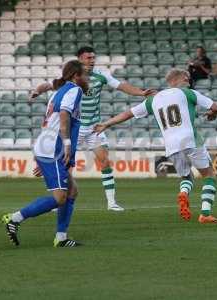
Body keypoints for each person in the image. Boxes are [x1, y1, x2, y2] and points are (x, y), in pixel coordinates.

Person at [30, 46, 156, 212]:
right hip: (75, 128)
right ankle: (58, 200)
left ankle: (111, 202)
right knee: (64, 165)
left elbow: (121, 85)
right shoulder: (70, 77)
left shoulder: (101, 75)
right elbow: (49, 85)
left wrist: (141, 93)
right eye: (88, 58)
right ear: (80, 59)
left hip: (93, 127)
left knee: (104, 160)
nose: (92, 61)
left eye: (93, 58)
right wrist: (37, 91)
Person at [94, 69, 217, 223]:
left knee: (187, 176)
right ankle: (205, 213)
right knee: (209, 175)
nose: (188, 79)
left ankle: (183, 193)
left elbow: (128, 113)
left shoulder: (154, 99)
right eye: (186, 77)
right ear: (176, 80)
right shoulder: (188, 93)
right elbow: (215, 107)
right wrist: (212, 114)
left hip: (171, 145)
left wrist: (107, 124)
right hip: (191, 140)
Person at [2, 60, 88, 247]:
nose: (87, 78)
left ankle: (61, 237)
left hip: (48, 148)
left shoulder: (60, 89)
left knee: (72, 191)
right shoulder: (74, 90)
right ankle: (14, 218)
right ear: (76, 76)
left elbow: (52, 109)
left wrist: (37, 91)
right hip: (53, 149)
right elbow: (64, 115)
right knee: (60, 197)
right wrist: (66, 144)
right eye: (85, 74)